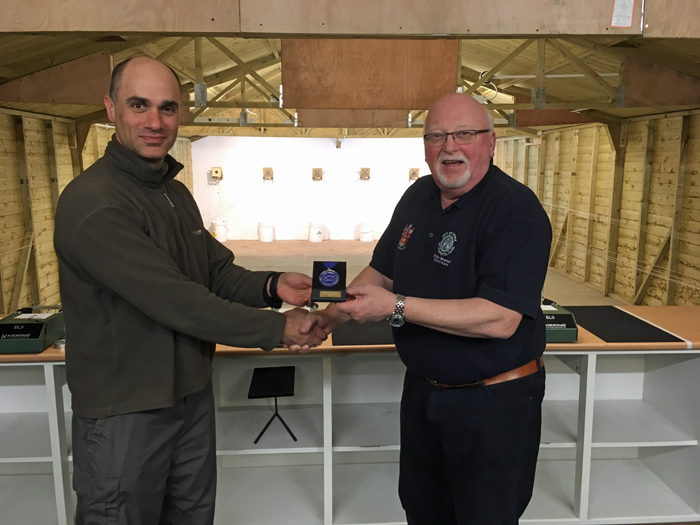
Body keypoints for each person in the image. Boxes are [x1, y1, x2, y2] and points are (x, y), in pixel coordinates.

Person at [54, 56, 325, 524]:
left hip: (189, 397)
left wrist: (273, 284)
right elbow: (178, 301)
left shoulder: (173, 194)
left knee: (193, 517)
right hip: (126, 412)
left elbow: (214, 273)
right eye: (139, 105)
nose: (155, 121)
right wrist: (277, 327)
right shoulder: (94, 203)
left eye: (168, 108)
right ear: (110, 108)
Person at [308, 93, 552, 524]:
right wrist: (329, 316)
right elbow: (381, 272)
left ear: (491, 143)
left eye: (464, 134)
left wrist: (396, 307)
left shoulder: (515, 210)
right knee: (423, 511)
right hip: (423, 394)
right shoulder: (419, 195)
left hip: (493, 403)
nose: (449, 146)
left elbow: (500, 318)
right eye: (436, 136)